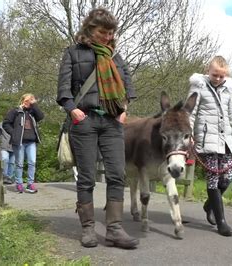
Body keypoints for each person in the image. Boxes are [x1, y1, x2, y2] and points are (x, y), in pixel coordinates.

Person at [56, 7, 138, 249]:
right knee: (87, 178)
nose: (108, 37)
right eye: (104, 32)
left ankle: (114, 229)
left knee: (117, 174)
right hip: (85, 121)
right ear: (90, 30)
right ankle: (88, 229)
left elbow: (128, 86)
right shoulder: (72, 53)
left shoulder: (115, 56)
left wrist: (124, 110)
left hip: (112, 122)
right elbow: (63, 90)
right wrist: (73, 110)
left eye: (111, 33)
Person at [187, 56, 232, 237]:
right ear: (208, 71)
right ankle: (221, 222)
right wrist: (189, 134)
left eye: (222, 76)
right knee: (213, 178)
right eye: (215, 75)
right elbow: (189, 112)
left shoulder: (228, 90)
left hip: (227, 142)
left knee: (226, 178)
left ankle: (209, 204)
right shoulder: (199, 86)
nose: (218, 79)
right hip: (207, 141)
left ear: (226, 75)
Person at [3, 93, 44, 194]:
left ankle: (30, 184)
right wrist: (14, 133)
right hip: (19, 142)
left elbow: (41, 116)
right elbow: (6, 123)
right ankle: (19, 184)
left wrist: (34, 105)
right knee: (19, 164)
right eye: (26, 101)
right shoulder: (15, 111)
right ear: (22, 101)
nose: (28, 103)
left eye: (30, 101)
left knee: (32, 162)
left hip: (31, 142)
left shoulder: (33, 112)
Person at [0, 120, 15, 185]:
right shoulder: (0, 124)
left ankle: (10, 178)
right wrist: (0, 140)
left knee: (12, 163)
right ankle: (4, 177)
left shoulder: (17, 124)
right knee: (5, 159)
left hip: (14, 146)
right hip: (4, 146)